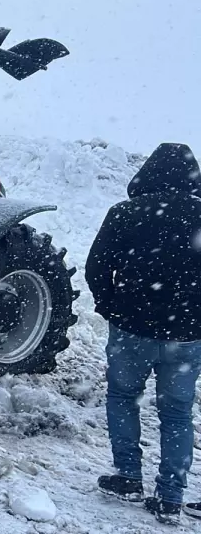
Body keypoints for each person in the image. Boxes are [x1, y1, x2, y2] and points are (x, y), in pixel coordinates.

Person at [88, 143, 201, 525]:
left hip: (131, 328)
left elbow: (96, 267)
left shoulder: (124, 213)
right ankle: (170, 496)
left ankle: (128, 478)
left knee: (123, 397)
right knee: (177, 412)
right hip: (187, 334)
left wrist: (110, 307)